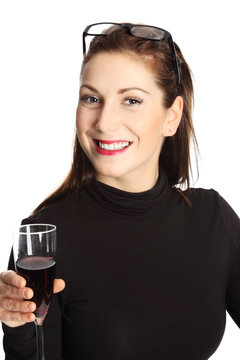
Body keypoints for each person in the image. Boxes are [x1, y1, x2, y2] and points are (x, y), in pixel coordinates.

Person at [1, 22, 240, 360]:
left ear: (172, 116)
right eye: (91, 98)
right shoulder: (45, 239)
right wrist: (17, 326)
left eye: (130, 100)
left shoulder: (214, 218)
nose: (104, 121)